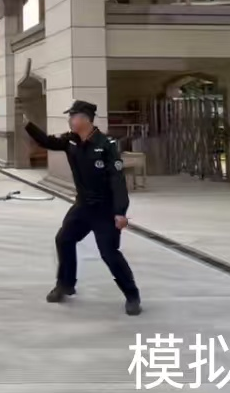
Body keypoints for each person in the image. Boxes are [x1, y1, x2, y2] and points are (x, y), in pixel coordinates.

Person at [24, 100, 142, 316]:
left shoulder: (106, 144)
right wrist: (27, 124)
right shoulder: (70, 141)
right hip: (83, 206)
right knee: (64, 239)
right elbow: (47, 142)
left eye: (73, 116)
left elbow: (117, 180)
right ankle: (65, 284)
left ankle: (132, 295)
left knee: (109, 253)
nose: (70, 120)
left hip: (105, 209)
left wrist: (120, 212)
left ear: (85, 119)